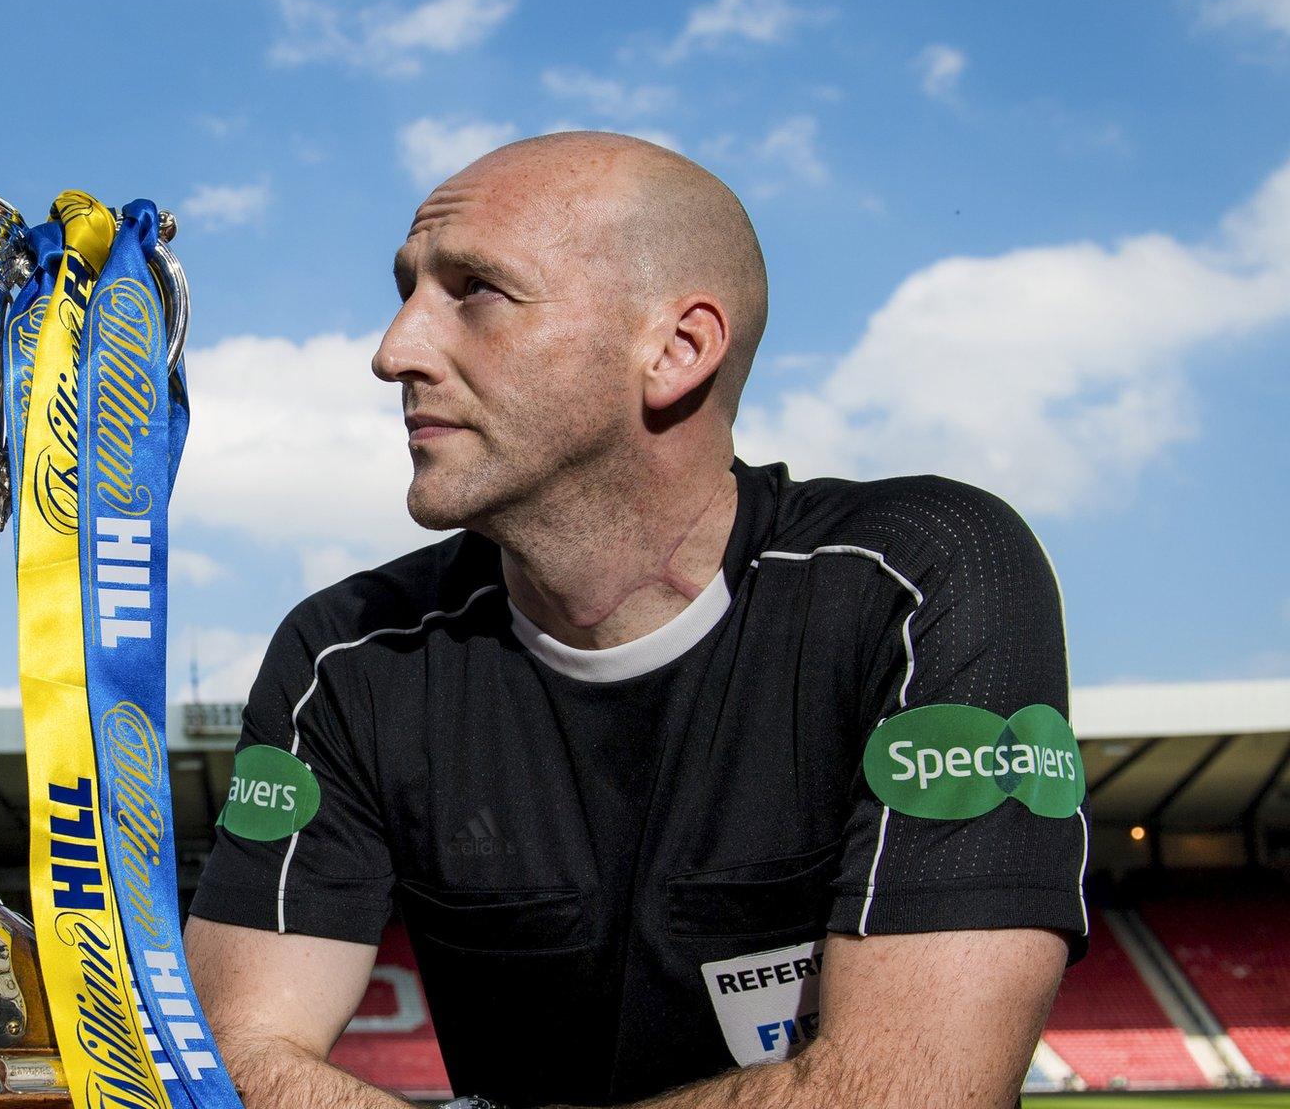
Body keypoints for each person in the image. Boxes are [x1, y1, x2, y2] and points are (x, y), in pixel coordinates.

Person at [183, 132, 1085, 1109]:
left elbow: (908, 1094)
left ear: (676, 349)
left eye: (474, 290)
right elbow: (225, 1062)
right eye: (404, 290)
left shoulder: (920, 574)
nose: (392, 350)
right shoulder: (346, 655)